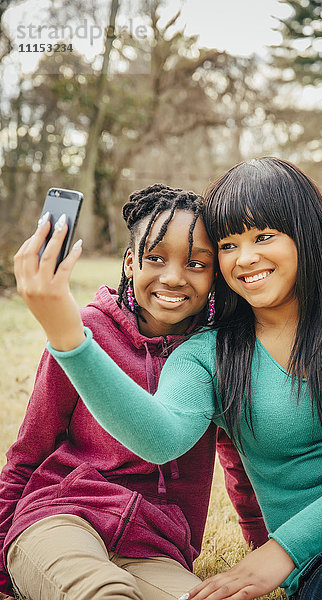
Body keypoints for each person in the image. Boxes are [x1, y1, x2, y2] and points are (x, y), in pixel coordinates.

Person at [13, 157, 322, 600]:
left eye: (264, 236)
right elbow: (161, 437)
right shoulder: (210, 353)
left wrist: (277, 548)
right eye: (229, 245)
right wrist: (68, 337)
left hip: (276, 548)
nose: (246, 258)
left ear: (306, 232)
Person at [1, 183, 267, 600]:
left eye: (196, 264)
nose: (173, 277)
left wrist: (263, 546)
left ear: (215, 274)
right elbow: (28, 452)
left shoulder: (216, 356)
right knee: (103, 592)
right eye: (155, 258)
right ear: (130, 263)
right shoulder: (83, 333)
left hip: (155, 546)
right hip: (59, 518)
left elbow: (239, 460)